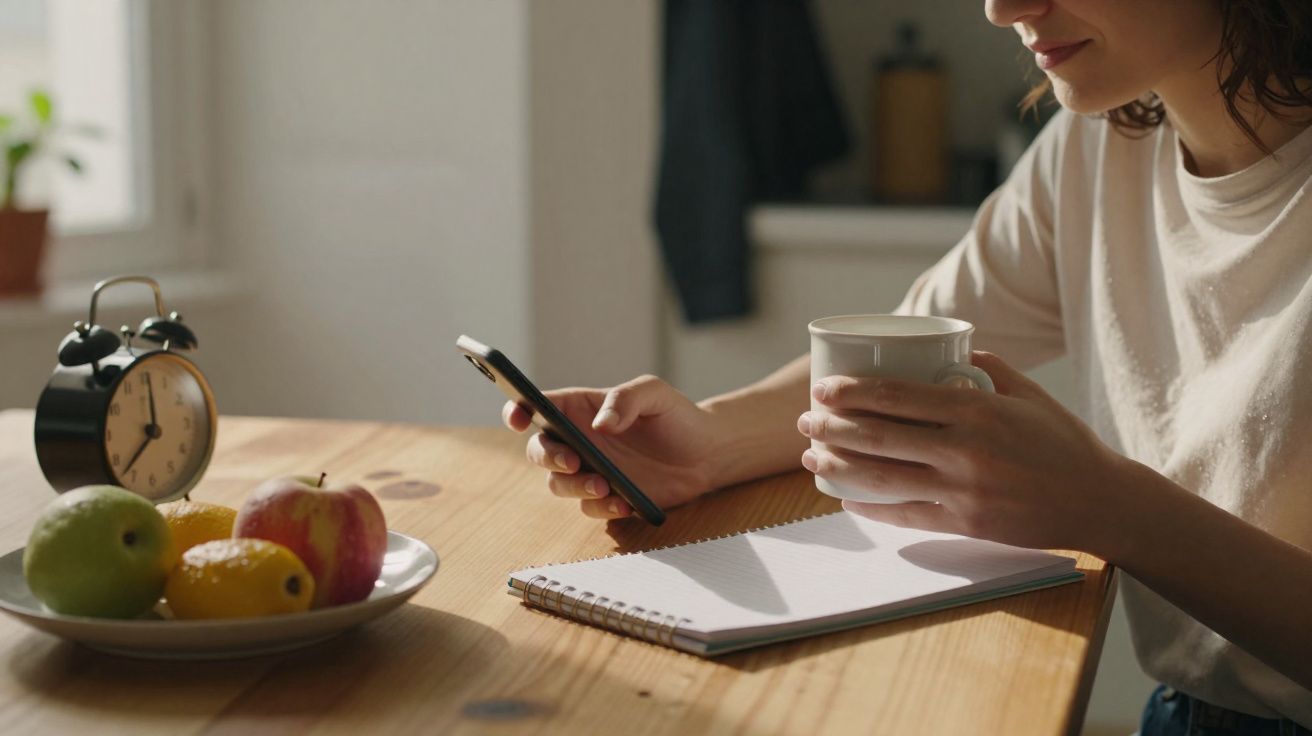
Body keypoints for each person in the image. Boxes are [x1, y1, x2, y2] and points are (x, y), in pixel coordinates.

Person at [501, 1, 1312, 732]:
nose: (1002, 10)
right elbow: (905, 360)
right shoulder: (1097, 148)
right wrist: (710, 442)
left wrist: (1110, 507)